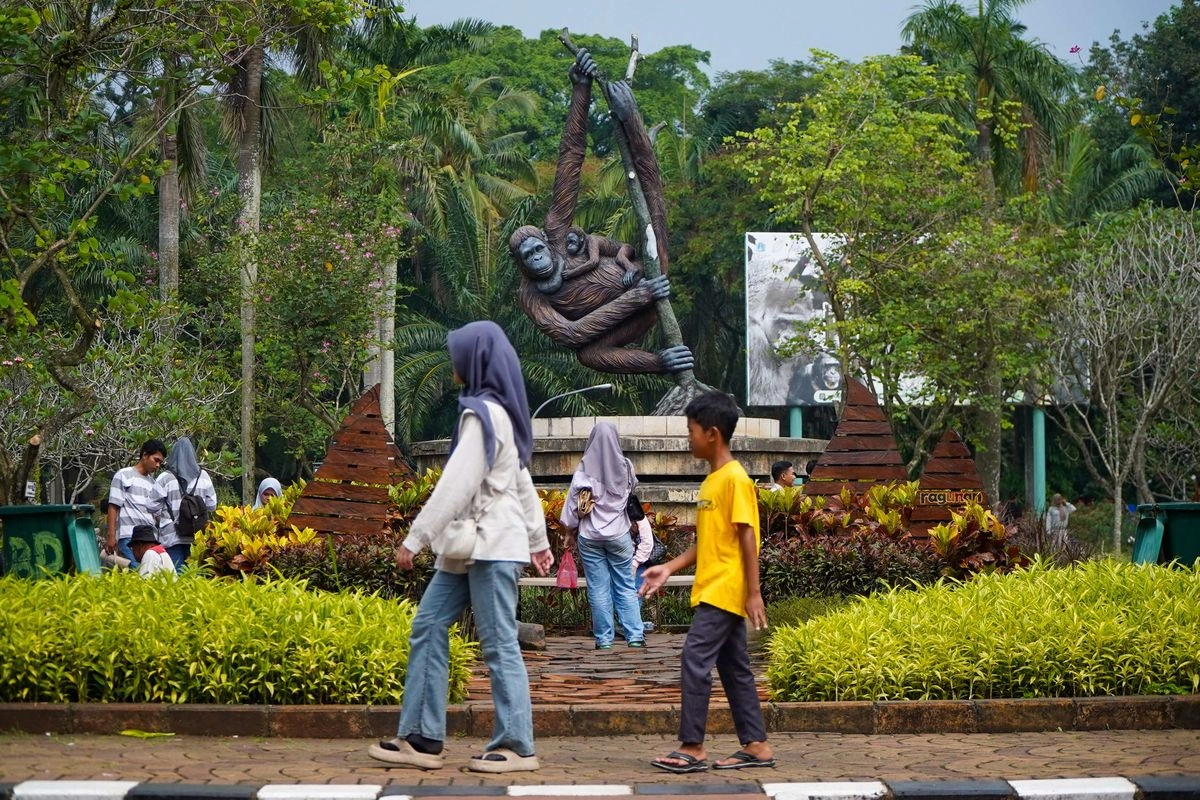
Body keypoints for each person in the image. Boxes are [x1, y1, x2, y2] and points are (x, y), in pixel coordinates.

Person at [367, 320, 554, 774]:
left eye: (458, 354)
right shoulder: (498, 413)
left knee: (498, 643)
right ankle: (421, 738)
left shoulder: (483, 414)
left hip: (490, 545)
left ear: (474, 361)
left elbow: (457, 483)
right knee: (429, 625)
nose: (453, 361)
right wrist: (538, 540)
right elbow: (522, 482)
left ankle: (517, 745)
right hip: (469, 546)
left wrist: (415, 538)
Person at [641, 391, 775, 774]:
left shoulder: (735, 479)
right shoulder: (712, 481)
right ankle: (756, 745)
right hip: (713, 586)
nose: (689, 438)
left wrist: (754, 592)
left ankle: (692, 746)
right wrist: (668, 568)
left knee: (695, 658)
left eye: (692, 430)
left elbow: (748, 535)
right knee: (734, 668)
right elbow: (708, 542)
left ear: (712, 434)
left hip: (725, 588)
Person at [560, 422, 645, 650]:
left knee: (598, 588)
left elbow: (572, 506)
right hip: (619, 534)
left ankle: (605, 640)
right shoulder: (626, 466)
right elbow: (633, 489)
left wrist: (569, 532)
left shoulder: (584, 469)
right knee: (625, 584)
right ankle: (635, 636)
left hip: (590, 536)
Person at [154, 437, 218, 572]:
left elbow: (151, 505)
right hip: (196, 534)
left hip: (171, 535)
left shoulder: (165, 477)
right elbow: (212, 505)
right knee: (193, 574)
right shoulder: (203, 476)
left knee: (174, 575)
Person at [106, 439, 167, 569]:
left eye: (160, 463)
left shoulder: (154, 484)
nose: (157, 465)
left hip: (149, 539)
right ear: (144, 455)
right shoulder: (123, 475)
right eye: (156, 460)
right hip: (129, 537)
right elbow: (113, 506)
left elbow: (157, 516)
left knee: (147, 574)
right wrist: (111, 535)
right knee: (138, 573)